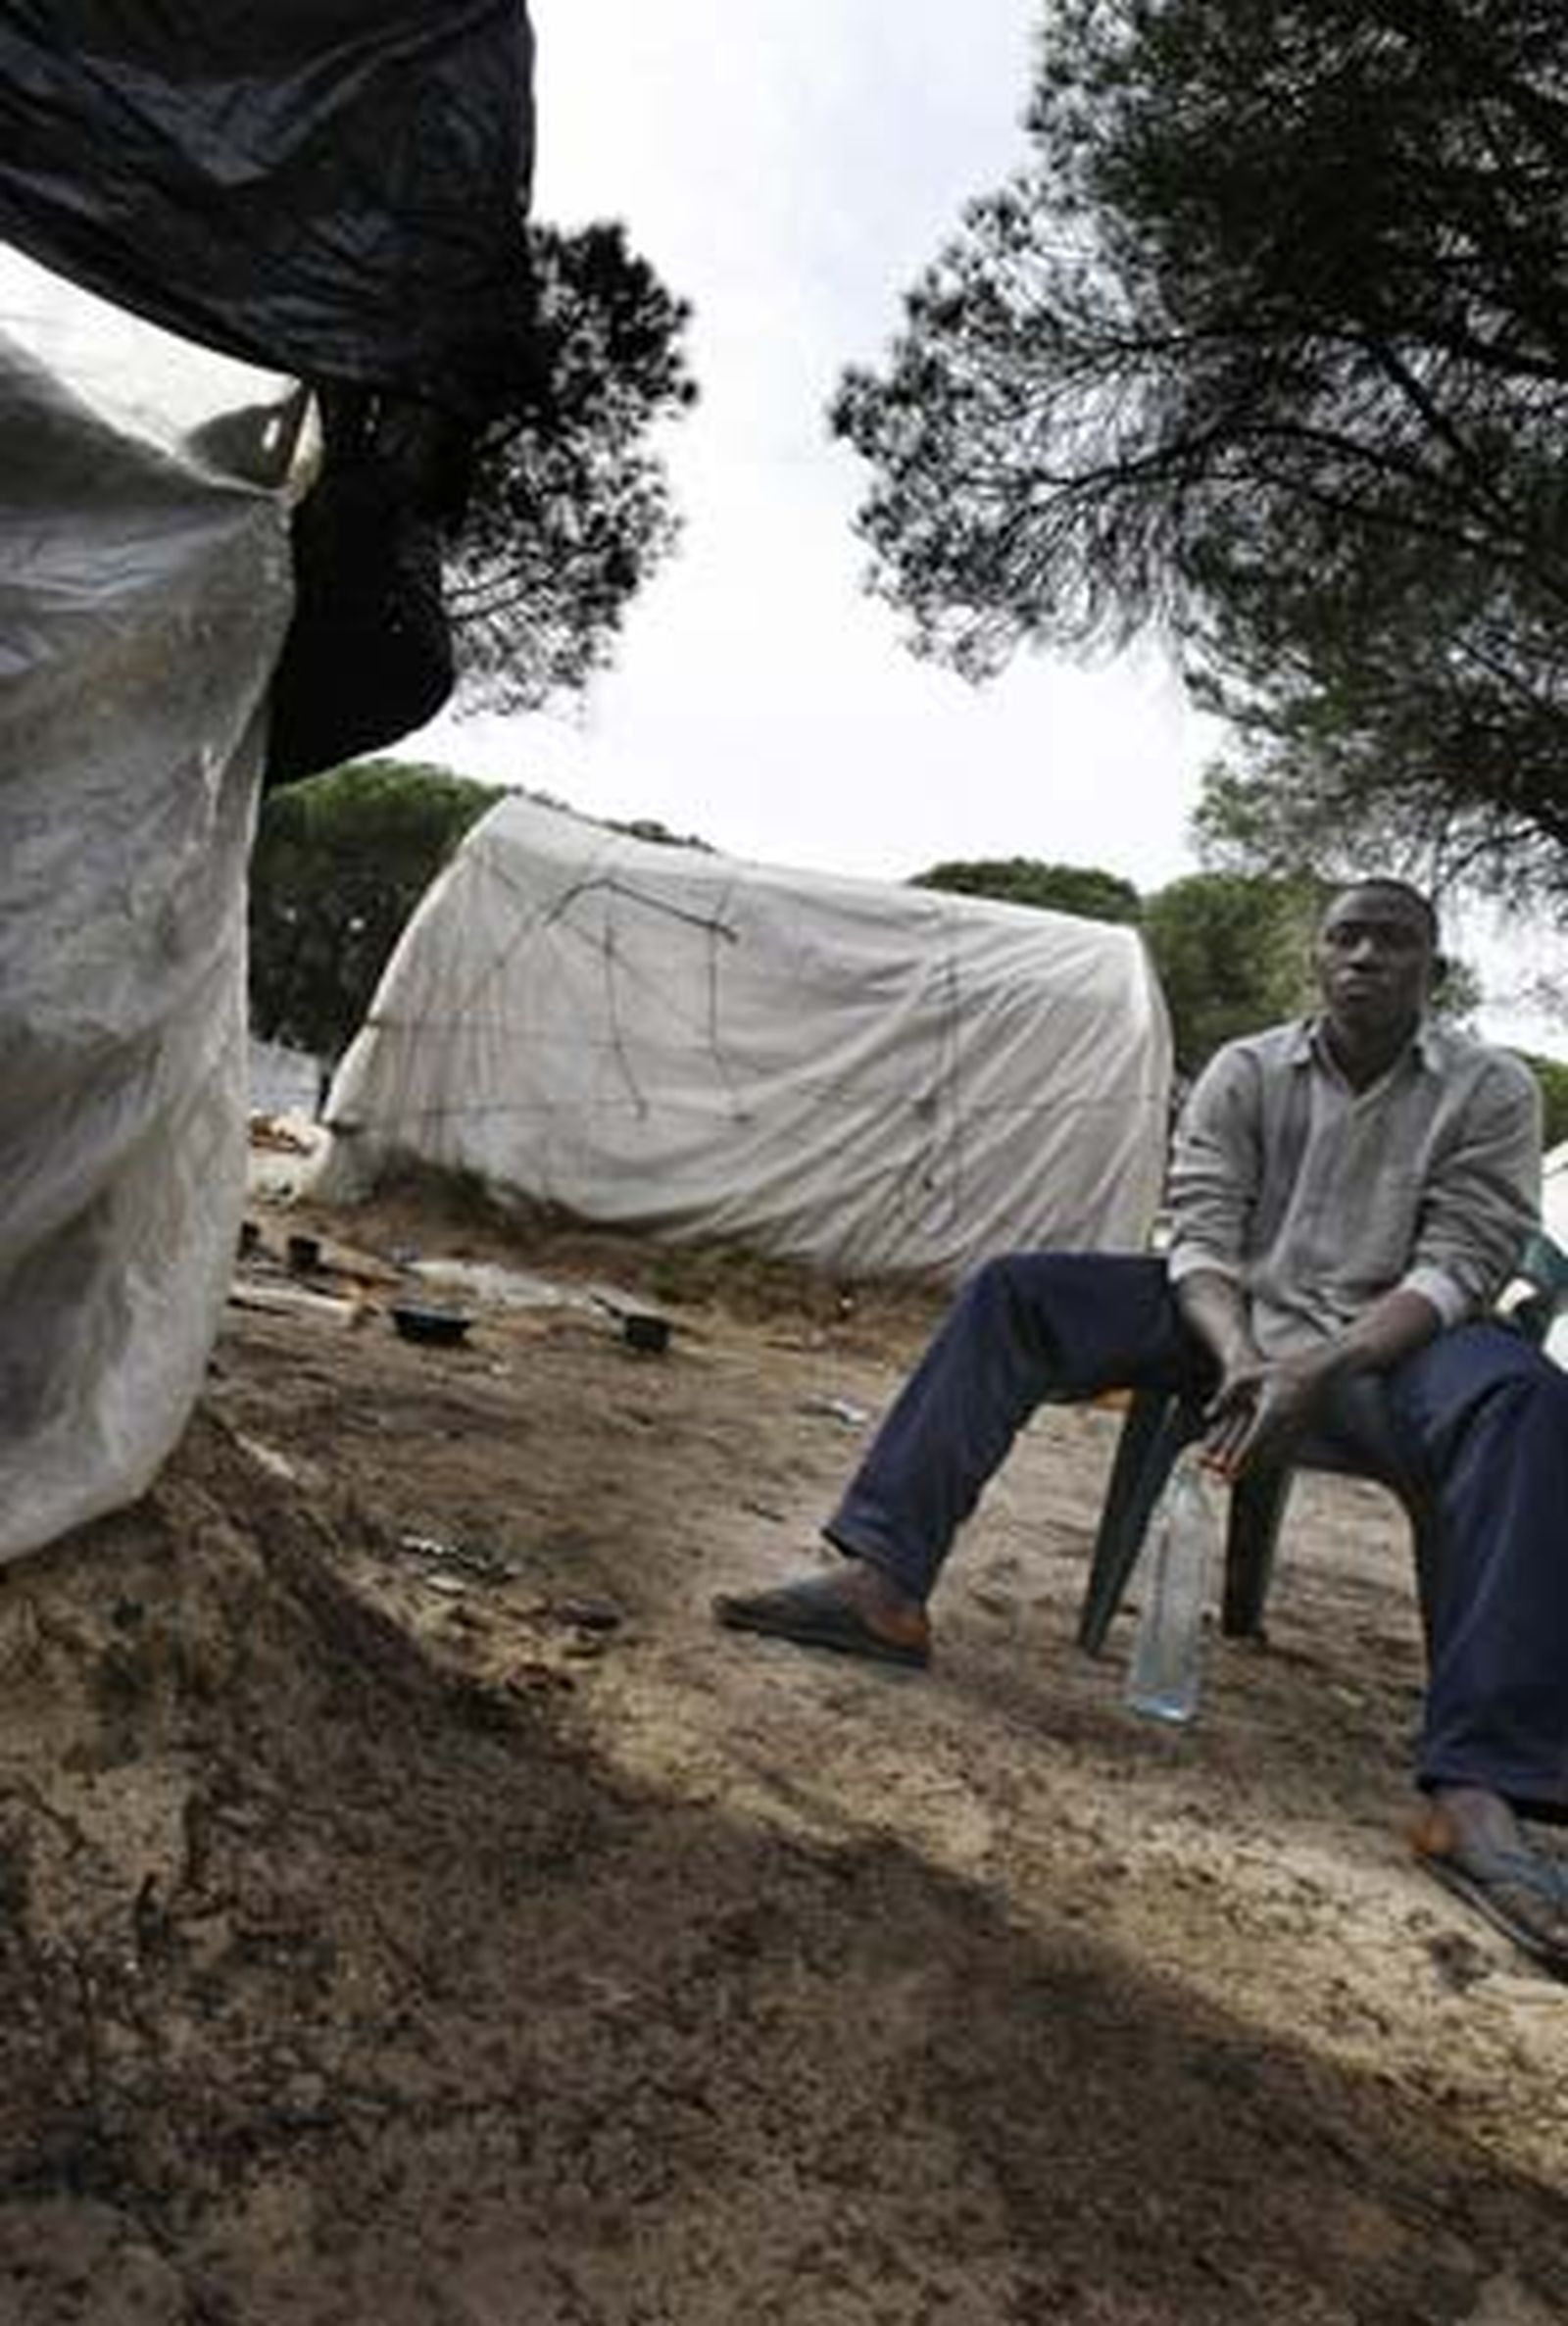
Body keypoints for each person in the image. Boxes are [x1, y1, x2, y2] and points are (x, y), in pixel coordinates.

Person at [714, 879, 1568, 1978]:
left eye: (1392, 941)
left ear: (1430, 969)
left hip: (1382, 1353)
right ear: (1316, 959)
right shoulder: (1249, 1071)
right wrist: (1242, 1355)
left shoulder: (1488, 1089)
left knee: (1528, 1402)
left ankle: (1475, 1790)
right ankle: (882, 1586)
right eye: (1344, 938)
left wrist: (1324, 1361)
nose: (1363, 957)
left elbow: (1465, 1259)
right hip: (1228, 1326)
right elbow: (1200, 1231)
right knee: (1015, 1291)